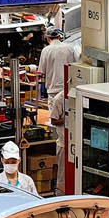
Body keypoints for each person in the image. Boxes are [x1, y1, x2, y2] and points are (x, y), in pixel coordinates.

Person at [38, 28, 78, 185]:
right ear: (59, 36)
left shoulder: (46, 50)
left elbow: (41, 72)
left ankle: (61, 180)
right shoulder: (69, 48)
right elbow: (75, 66)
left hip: (54, 92)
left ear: (47, 38)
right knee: (69, 127)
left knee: (59, 131)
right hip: (70, 90)